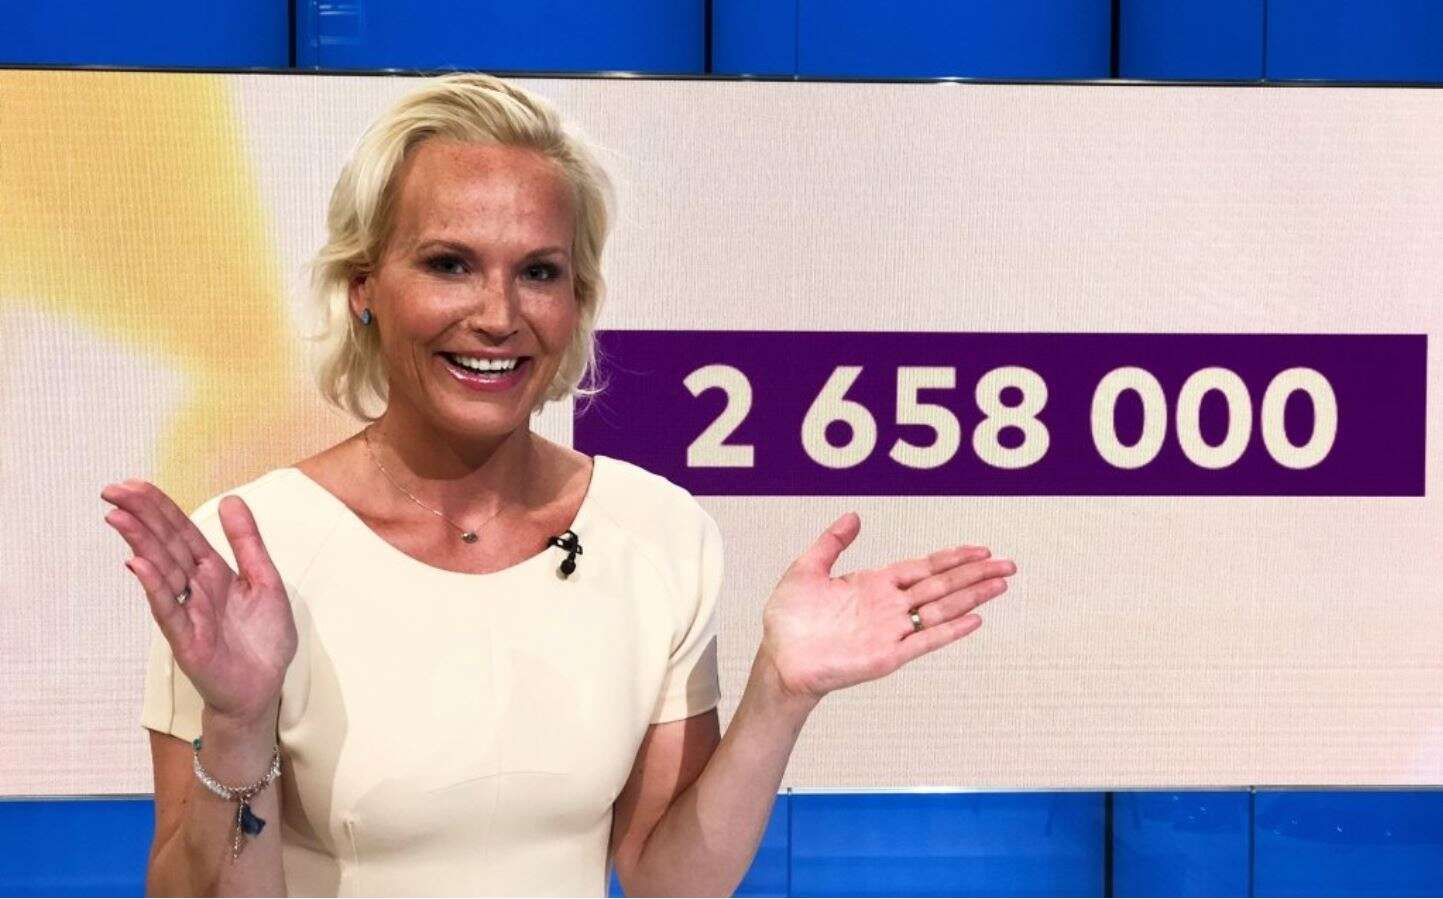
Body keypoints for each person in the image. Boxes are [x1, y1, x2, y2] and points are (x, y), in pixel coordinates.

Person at [101, 73, 1017, 897]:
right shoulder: (247, 553)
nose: (498, 316)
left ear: (576, 301)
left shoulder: (657, 531)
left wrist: (779, 694)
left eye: (538, 272)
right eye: (449, 264)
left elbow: (668, 881)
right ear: (363, 286)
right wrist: (238, 721)